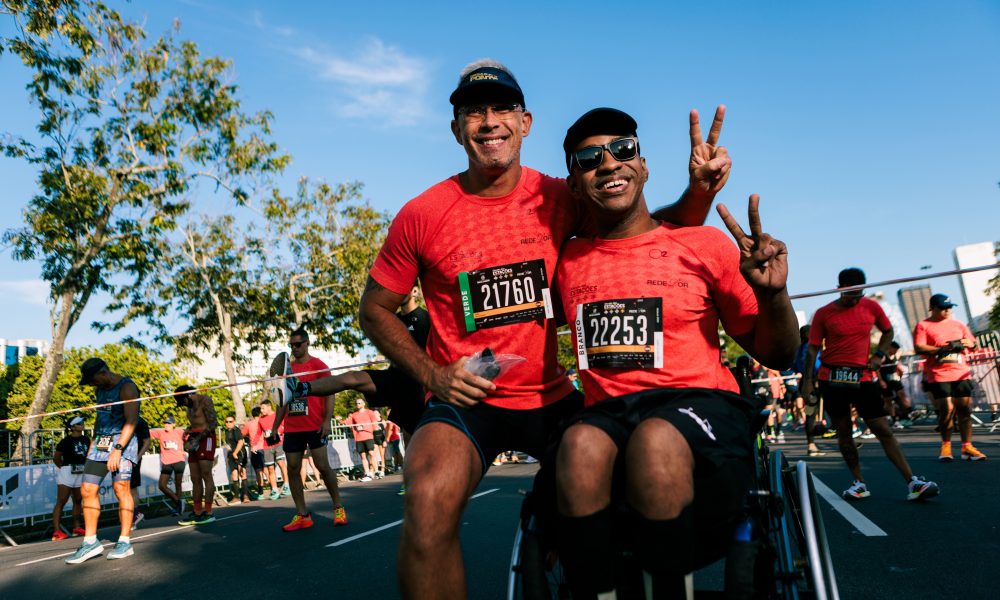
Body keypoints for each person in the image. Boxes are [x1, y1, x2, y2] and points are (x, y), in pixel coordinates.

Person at [357, 59, 729, 598]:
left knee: (625, 493)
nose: (489, 122)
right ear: (457, 128)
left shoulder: (561, 196)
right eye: (473, 112)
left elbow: (644, 231)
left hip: (552, 397)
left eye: (502, 108)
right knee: (427, 501)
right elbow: (375, 309)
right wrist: (432, 375)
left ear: (525, 122)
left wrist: (700, 195)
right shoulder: (423, 214)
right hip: (467, 399)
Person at [548, 107, 799, 598]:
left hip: (701, 416)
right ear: (574, 184)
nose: (609, 163)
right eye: (588, 158)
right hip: (609, 422)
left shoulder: (704, 244)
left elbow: (781, 354)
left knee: (656, 438)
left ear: (643, 165)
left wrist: (773, 295)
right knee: (577, 447)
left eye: (622, 150)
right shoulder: (568, 260)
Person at [801, 268, 939, 501]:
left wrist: (879, 355)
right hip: (831, 378)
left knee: (882, 429)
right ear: (839, 289)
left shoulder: (871, 307)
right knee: (844, 431)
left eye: (859, 293)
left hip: (862, 377)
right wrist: (807, 382)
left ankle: (912, 482)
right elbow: (813, 348)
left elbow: (888, 331)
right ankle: (859, 483)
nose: (855, 298)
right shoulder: (823, 313)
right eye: (850, 293)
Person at [268, 327, 347, 531]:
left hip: (315, 425)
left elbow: (331, 392)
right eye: (291, 345)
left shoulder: (319, 366)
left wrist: (327, 420)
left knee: (322, 466)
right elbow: (282, 400)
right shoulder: (289, 370)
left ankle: (338, 507)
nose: (294, 348)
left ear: (307, 343)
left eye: (298, 344)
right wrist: (275, 426)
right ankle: (303, 514)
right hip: (293, 428)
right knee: (293, 468)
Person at [65, 357, 140, 563]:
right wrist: (93, 443)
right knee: (87, 489)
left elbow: (132, 420)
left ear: (104, 373)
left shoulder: (127, 388)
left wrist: (118, 449)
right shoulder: (99, 391)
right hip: (101, 442)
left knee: (121, 489)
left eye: (93, 380)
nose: (92, 385)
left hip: (122, 441)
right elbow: (100, 418)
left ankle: (124, 542)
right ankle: (90, 543)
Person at [913, 294, 987, 461]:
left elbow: (975, 346)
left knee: (964, 409)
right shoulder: (923, 325)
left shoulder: (958, 324)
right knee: (947, 409)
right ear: (932, 308)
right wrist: (943, 349)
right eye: (942, 308)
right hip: (939, 374)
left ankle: (967, 447)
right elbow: (918, 347)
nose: (947, 311)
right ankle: (946, 446)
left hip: (960, 371)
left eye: (949, 308)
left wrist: (971, 344)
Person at [174, 385, 218, 525]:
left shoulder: (205, 400)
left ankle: (209, 511)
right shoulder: (189, 406)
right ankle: (197, 511)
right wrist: (188, 431)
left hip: (207, 438)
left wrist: (198, 439)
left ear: (188, 396)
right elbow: (195, 424)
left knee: (206, 474)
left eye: (183, 402)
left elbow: (213, 423)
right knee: (195, 477)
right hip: (195, 439)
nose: (183, 406)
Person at [51, 416, 90, 541]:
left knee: (78, 500)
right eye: (79, 423)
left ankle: (77, 528)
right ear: (72, 427)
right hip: (67, 471)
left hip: (81, 471)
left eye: (82, 422)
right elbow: (56, 458)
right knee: (61, 501)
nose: (82, 424)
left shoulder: (86, 439)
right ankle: (56, 531)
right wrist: (63, 468)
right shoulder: (65, 441)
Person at [150, 415, 187, 515]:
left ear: (174, 424)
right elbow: (146, 433)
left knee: (178, 485)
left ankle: (178, 509)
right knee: (162, 485)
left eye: (169, 423)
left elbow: (190, 437)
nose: (166, 425)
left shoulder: (179, 432)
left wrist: (185, 449)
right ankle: (179, 502)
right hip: (167, 463)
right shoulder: (160, 432)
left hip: (179, 461)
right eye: (165, 423)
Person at [256, 399, 290, 500]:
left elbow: (285, 425)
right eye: (261, 408)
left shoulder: (277, 415)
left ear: (269, 407)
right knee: (270, 468)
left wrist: (279, 431)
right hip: (267, 446)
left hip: (278, 443)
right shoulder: (261, 420)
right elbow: (258, 433)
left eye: (263, 408)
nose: (261, 410)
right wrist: (254, 445)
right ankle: (274, 489)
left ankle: (287, 485)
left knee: (281, 463)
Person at [344, 398, 380, 481]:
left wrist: (369, 428)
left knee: (371, 453)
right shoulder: (354, 414)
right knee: (363, 456)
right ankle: (367, 473)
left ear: (364, 404)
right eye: (357, 403)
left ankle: (376, 471)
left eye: (359, 403)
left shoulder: (369, 412)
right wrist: (339, 420)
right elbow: (347, 423)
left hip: (368, 436)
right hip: (359, 438)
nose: (358, 404)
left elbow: (375, 423)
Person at [878, 342, 912, 428]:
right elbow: (876, 368)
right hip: (885, 381)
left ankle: (909, 412)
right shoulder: (883, 356)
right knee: (888, 400)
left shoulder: (897, 355)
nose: (895, 351)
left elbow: (909, 352)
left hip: (895, 379)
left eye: (897, 350)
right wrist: (881, 380)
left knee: (901, 394)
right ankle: (893, 419)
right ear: (890, 348)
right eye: (894, 349)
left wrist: (900, 375)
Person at [128, 416, 151, 531]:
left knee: (131, 488)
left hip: (133, 459)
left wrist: (137, 457)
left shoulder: (141, 422)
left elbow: (147, 442)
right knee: (122, 488)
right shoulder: (119, 419)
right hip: (121, 458)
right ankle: (128, 516)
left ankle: (134, 516)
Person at [223, 415, 250, 503]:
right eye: (226, 422)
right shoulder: (226, 431)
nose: (228, 423)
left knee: (242, 473)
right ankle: (236, 497)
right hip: (231, 454)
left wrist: (235, 453)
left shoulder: (236, 430)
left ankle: (246, 496)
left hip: (240, 453)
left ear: (234, 422)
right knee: (234, 475)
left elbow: (240, 442)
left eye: (230, 421)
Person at [244, 405, 266, 498]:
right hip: (265, 447)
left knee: (258, 471)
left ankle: (261, 492)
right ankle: (274, 488)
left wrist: (248, 438)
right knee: (267, 469)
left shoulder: (249, 424)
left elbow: (242, 434)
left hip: (255, 449)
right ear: (260, 413)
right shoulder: (264, 422)